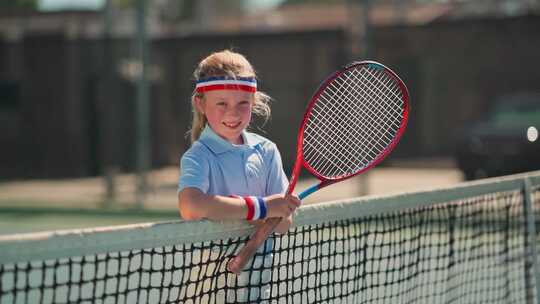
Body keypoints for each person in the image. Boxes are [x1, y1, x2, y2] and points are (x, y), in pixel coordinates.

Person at [177, 49, 301, 303]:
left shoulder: (266, 151)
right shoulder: (199, 155)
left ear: (253, 102)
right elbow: (191, 206)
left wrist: (274, 212)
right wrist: (262, 207)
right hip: (211, 292)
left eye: (242, 104)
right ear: (201, 103)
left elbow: (285, 224)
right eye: (221, 103)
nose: (232, 113)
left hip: (258, 286)